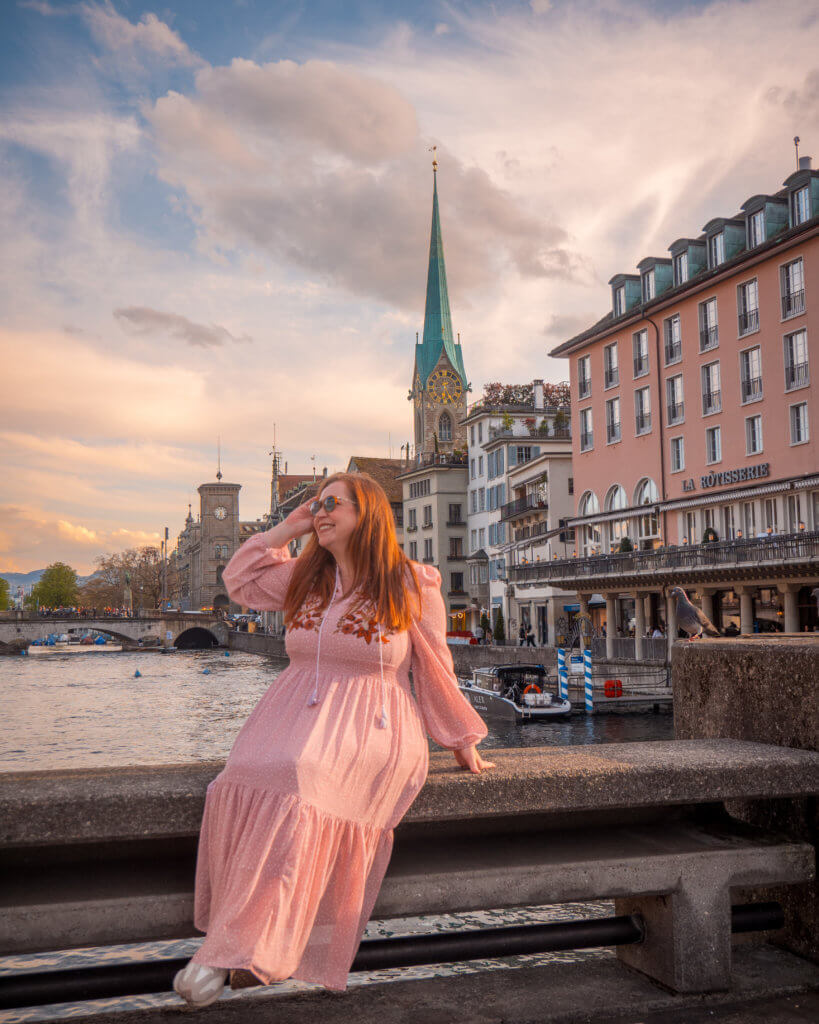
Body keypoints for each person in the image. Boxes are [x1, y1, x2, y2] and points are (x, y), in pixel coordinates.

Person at [173, 472, 495, 1008]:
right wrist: (290, 524)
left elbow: (437, 664)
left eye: (331, 506)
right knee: (245, 773)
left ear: (366, 514)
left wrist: (460, 738)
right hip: (291, 713)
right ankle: (244, 943)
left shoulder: (413, 582)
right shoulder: (305, 577)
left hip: (375, 721)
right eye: (317, 506)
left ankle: (233, 951)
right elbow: (239, 580)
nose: (321, 514)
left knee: (303, 777)